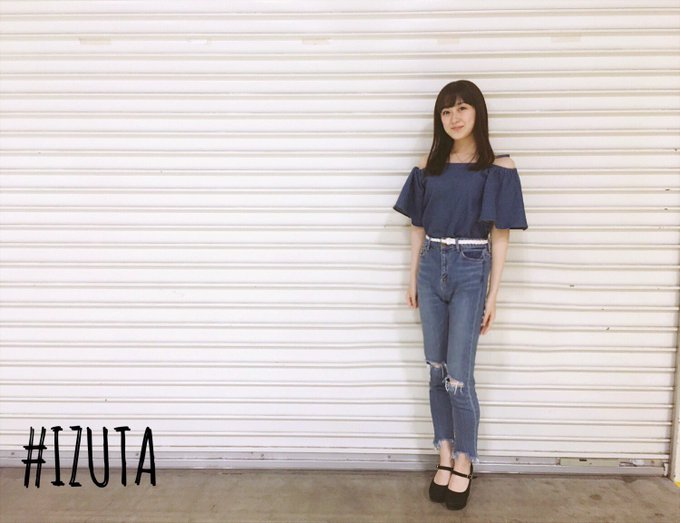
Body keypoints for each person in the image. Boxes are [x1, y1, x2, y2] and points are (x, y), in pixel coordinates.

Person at [392, 80, 528, 511]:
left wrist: (493, 294)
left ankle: (466, 460)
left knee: (459, 377)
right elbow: (417, 225)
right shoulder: (427, 166)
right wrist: (412, 277)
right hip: (431, 265)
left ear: (477, 113)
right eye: (446, 111)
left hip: (471, 267)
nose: (454, 118)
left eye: (462, 108)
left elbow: (501, 234)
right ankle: (445, 453)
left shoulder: (498, 168)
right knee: (436, 369)